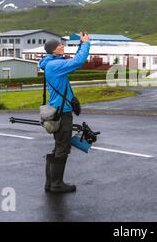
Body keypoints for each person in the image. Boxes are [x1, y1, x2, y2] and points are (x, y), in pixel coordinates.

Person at [39, 32, 91, 193]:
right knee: (63, 148)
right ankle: (56, 184)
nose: (62, 46)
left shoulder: (52, 63)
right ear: (53, 50)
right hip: (62, 113)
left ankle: (50, 183)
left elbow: (71, 64)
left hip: (59, 110)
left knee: (58, 146)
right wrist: (86, 43)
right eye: (59, 45)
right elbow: (78, 61)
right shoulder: (55, 66)